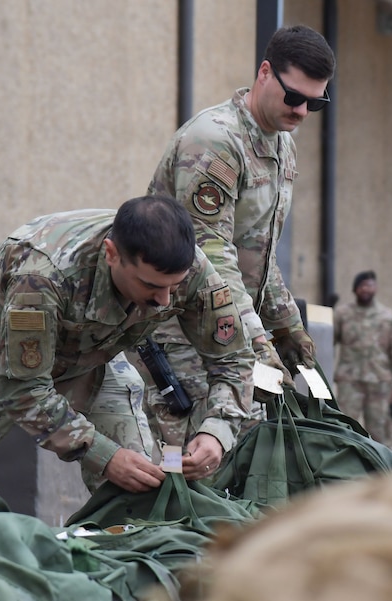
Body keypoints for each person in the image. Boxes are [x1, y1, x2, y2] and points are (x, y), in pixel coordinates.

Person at [0, 197, 255, 510]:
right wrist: (101, 453)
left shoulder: (192, 271)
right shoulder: (44, 275)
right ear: (112, 254)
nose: (164, 300)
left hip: (92, 357)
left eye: (174, 287)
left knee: (141, 486)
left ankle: (119, 596)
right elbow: (24, 391)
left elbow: (234, 360)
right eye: (152, 286)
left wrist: (216, 433)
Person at [137, 24, 335, 445]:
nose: (301, 112)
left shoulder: (281, 143)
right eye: (294, 97)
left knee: (248, 455)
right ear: (265, 72)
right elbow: (210, 254)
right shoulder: (215, 142)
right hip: (180, 327)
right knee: (191, 458)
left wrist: (288, 329)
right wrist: (258, 338)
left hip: (227, 327)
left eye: (314, 104)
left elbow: (259, 255)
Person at [333, 271, 392, 445]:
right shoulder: (342, 314)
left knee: (378, 429)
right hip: (350, 381)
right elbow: (328, 341)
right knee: (345, 426)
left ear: (376, 288)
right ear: (355, 289)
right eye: (362, 285)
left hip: (379, 382)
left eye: (370, 285)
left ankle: (379, 469)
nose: (366, 289)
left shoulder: (388, 317)